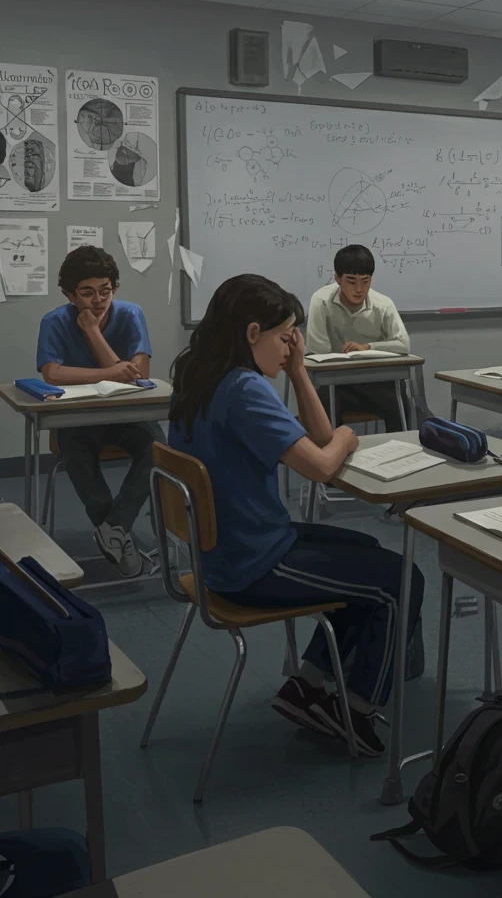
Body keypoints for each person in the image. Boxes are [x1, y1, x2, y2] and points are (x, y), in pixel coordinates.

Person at [167, 274, 423, 755]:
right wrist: (351, 436)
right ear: (251, 333)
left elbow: (317, 439)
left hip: (220, 553)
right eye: (285, 337)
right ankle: (358, 710)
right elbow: (326, 463)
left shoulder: (197, 373)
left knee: (365, 550)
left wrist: (299, 369)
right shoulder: (244, 389)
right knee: (400, 580)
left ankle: (307, 684)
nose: (290, 348)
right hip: (252, 563)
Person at [37, 246, 164, 577]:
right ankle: (115, 531)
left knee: (157, 450)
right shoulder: (54, 321)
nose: (98, 300)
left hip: (126, 414)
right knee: (76, 454)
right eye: (87, 293)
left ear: (115, 288)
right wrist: (111, 372)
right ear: (69, 294)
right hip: (77, 417)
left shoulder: (131, 314)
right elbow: (52, 373)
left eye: (105, 290)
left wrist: (93, 333)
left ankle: (114, 528)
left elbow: (139, 375)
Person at [306, 244, 410, 432]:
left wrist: (367, 347)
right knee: (325, 402)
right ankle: (331, 458)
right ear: (337, 278)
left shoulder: (383, 304)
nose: (359, 289)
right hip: (334, 383)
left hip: (373, 381)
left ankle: (400, 455)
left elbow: (403, 344)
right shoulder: (321, 301)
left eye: (366, 281)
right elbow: (317, 349)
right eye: (351, 281)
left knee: (402, 405)